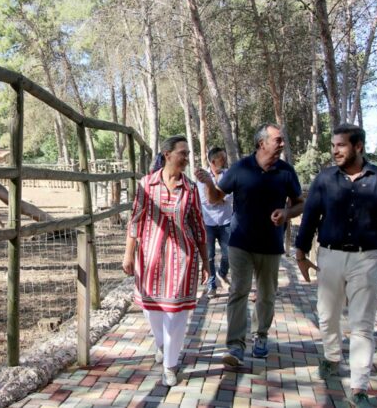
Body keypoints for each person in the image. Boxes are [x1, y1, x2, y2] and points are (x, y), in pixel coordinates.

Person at [294, 124, 377, 407]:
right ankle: (331, 356)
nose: (335, 151)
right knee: (327, 316)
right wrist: (301, 253)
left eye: (341, 145)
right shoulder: (324, 179)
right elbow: (310, 217)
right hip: (329, 257)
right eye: (333, 145)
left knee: (362, 325)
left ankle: (359, 388)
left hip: (366, 259)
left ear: (358, 147)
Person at [195, 123, 304, 365]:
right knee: (238, 292)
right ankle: (235, 346)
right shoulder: (240, 168)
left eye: (282, 140)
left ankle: (261, 336)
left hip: (271, 245)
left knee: (266, 295)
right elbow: (215, 199)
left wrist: (286, 213)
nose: (282, 144)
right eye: (278, 140)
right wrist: (209, 184)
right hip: (240, 243)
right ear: (262, 143)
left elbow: (300, 203)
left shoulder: (286, 171)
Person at [122, 135, 210, 387]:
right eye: (182, 153)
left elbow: (198, 226)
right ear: (167, 154)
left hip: (182, 260)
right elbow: (135, 220)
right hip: (150, 258)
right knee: (152, 309)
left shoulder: (191, 189)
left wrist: (206, 262)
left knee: (176, 314)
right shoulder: (146, 184)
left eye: (187, 154)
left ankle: (170, 365)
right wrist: (128, 254)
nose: (186, 158)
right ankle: (162, 344)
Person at [197, 147, 232, 297]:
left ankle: (221, 273)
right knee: (209, 255)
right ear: (212, 161)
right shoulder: (201, 178)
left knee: (229, 254)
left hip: (226, 221)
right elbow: (205, 201)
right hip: (208, 223)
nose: (224, 161)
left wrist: (216, 197)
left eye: (225, 158)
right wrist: (219, 198)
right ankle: (212, 285)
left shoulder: (229, 175)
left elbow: (230, 197)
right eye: (221, 159)